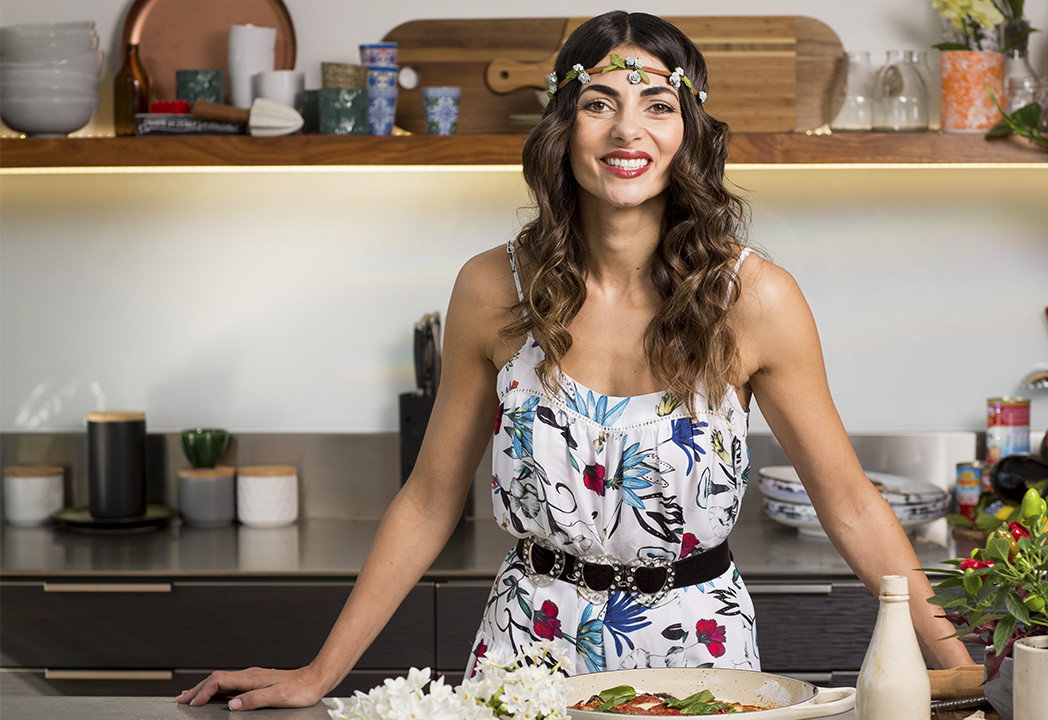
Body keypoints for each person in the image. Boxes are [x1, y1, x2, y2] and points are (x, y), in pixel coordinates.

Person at [178, 10, 972, 711]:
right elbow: (428, 500)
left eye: (658, 105)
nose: (630, 132)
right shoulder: (492, 288)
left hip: (703, 666)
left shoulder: (754, 299)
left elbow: (853, 506)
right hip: (526, 661)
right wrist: (320, 673)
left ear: (688, 130)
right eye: (600, 104)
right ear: (565, 126)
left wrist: (964, 671)